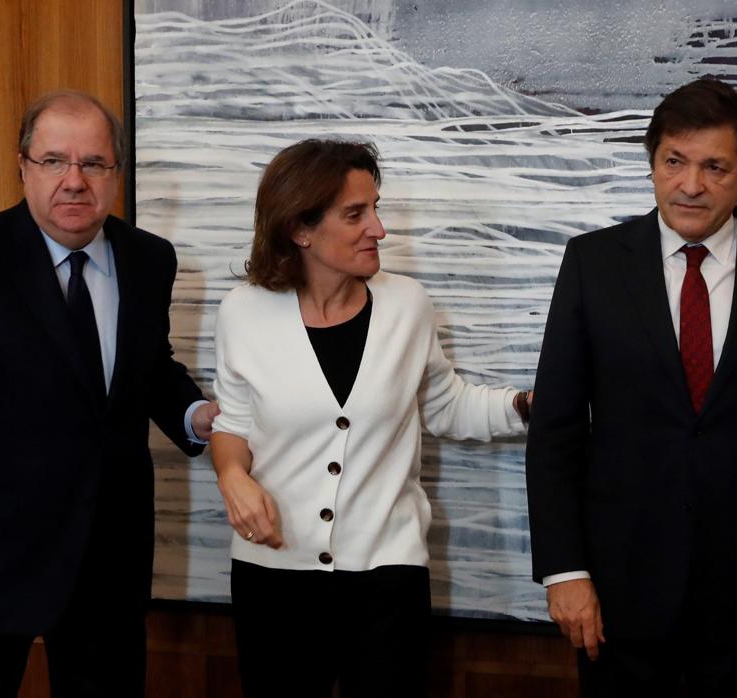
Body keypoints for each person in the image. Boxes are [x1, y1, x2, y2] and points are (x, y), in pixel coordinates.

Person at [0, 90, 219, 697]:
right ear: (23, 166)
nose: (74, 180)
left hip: (107, 561)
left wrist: (196, 414)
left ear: (116, 172)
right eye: (54, 160)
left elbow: (147, 366)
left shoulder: (149, 259)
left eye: (93, 163)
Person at [525, 77, 737, 696]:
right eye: (675, 161)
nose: (691, 185)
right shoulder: (593, 262)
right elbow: (557, 428)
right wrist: (564, 570)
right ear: (653, 164)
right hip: (616, 594)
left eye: (715, 167)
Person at [209, 138, 530, 697]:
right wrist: (232, 475)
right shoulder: (243, 311)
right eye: (355, 214)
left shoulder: (408, 304)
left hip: (388, 576)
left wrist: (531, 407)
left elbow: (444, 405)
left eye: (374, 209)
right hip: (274, 575)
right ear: (300, 229)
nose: (378, 229)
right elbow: (231, 424)